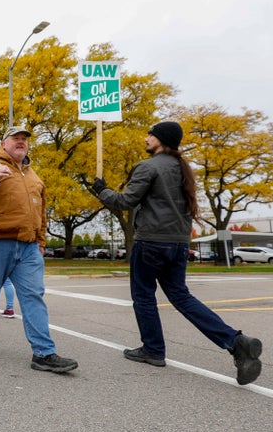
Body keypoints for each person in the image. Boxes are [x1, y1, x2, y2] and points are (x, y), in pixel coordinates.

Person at [93, 121, 263, 385]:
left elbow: (126, 201)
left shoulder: (147, 167)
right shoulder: (184, 170)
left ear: (161, 140)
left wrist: (101, 190)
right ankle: (235, 341)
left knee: (143, 296)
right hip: (179, 244)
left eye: (150, 134)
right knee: (181, 297)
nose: (146, 137)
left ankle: (153, 350)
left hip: (150, 242)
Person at [0, 126, 78, 373]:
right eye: (16, 138)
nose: (21, 142)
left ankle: (43, 354)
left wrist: (40, 242)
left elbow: (41, 212)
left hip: (29, 247)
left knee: (33, 296)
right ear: (3, 144)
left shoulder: (33, 176)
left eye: (24, 139)